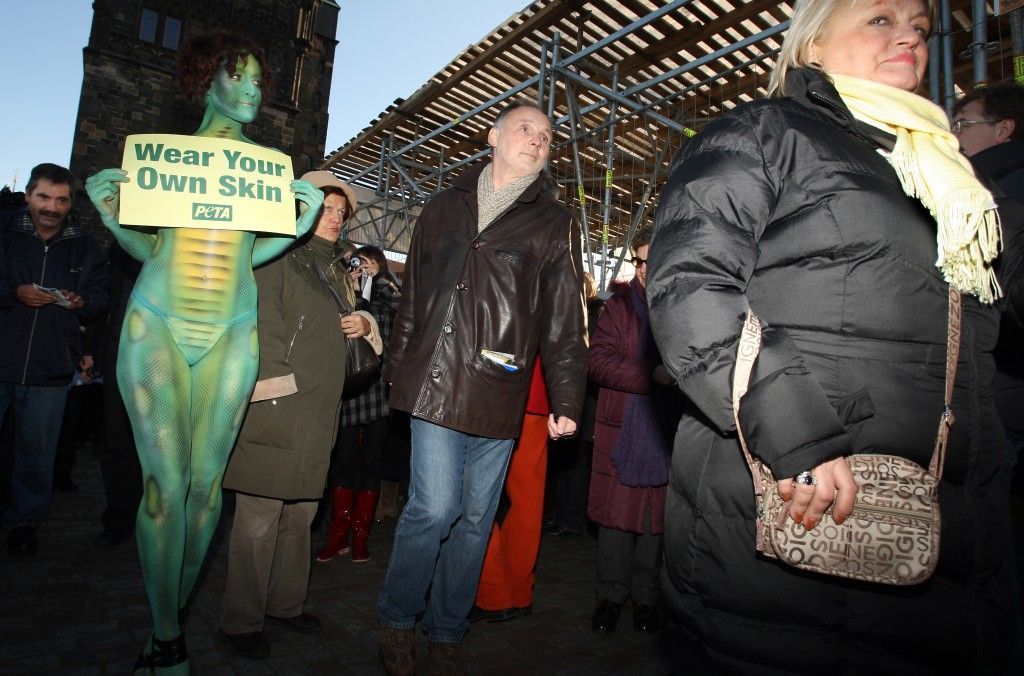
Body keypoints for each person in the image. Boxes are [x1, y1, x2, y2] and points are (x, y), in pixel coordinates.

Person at [646, 1, 1016, 672]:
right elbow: (690, 285)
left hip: (942, 524)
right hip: (795, 501)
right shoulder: (765, 133)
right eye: (879, 17)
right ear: (812, 45)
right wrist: (797, 434)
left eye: (920, 27)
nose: (908, 34)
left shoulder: (946, 177)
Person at [84, 34, 324, 673]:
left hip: (231, 329)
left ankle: (167, 629)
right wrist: (113, 217)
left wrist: (299, 226)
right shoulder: (166, 159)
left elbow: (248, 253)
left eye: (257, 83)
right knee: (163, 487)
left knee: (206, 490)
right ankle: (168, 639)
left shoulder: (267, 172)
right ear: (205, 80)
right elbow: (150, 251)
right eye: (237, 78)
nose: (249, 92)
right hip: (156, 323)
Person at [376, 100, 587, 675]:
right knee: (435, 507)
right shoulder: (443, 206)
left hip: (500, 385)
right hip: (437, 379)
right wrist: (397, 370)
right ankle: (397, 618)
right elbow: (414, 297)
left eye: (547, 135)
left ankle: (447, 628)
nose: (538, 140)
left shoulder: (555, 222)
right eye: (526, 129)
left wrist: (567, 399)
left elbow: (566, 319)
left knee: (476, 517)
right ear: (493, 136)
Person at [218, 171, 379, 659]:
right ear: (300, 209)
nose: (333, 219)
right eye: (325, 209)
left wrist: (364, 321)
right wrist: (275, 390)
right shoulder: (275, 256)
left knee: (301, 515)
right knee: (259, 519)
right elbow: (258, 329)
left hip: (319, 410)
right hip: (277, 404)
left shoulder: (337, 269)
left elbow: (348, 330)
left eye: (340, 212)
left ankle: (285, 604)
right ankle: (241, 619)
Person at [0, 163, 109, 557]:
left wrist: (83, 302)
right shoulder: (5, 232)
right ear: (29, 194)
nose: (52, 206)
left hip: (49, 367)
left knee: (37, 454)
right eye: (44, 196)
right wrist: (15, 292)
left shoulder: (85, 247)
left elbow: (100, 299)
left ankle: (25, 522)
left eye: (61, 200)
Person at [587, 231, 680, 635]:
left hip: (667, 429)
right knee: (615, 520)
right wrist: (650, 375)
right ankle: (610, 598)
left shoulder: (684, 307)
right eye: (641, 261)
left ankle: (646, 600)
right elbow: (598, 361)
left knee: (654, 522)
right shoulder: (618, 307)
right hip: (622, 426)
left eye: (653, 261)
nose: (646, 268)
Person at [316, 244, 399, 564]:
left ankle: (360, 535)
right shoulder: (342, 289)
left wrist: (374, 279)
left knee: (371, 464)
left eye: (367, 262)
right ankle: (339, 532)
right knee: (344, 461)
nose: (360, 268)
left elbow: (392, 311)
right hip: (349, 387)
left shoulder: (386, 293)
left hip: (377, 390)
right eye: (356, 263)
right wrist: (348, 286)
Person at [471, 355, 550, 622]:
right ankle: (518, 590)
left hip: (493, 382)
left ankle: (493, 591)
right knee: (528, 498)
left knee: (474, 492)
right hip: (539, 387)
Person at [546, 271, 603, 537]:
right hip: (576, 401)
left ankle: (571, 519)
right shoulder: (580, 319)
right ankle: (562, 516)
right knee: (566, 463)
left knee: (575, 464)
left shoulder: (588, 321)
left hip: (584, 403)